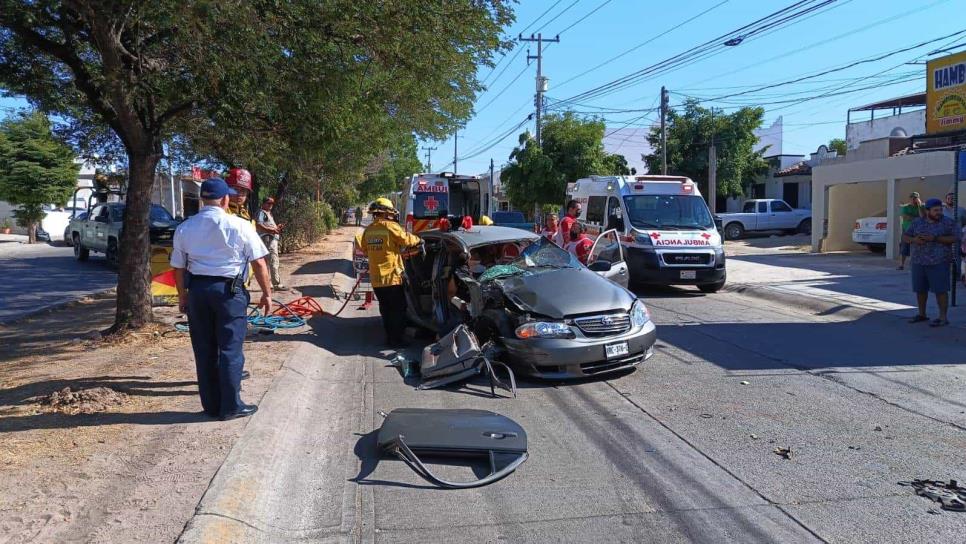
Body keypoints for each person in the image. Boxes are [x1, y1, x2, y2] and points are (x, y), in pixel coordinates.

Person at [170, 178, 272, 420]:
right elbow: (258, 262)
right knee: (230, 349)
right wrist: (267, 293)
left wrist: (182, 296)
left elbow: (178, 267)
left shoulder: (185, 227)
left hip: (198, 292)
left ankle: (211, 405)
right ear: (226, 200)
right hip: (229, 293)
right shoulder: (239, 225)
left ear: (203, 199)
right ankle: (231, 406)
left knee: (204, 349)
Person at [360, 197, 422, 346]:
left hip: (376, 280)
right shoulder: (390, 227)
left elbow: (365, 250)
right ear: (386, 213)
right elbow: (407, 240)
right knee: (398, 310)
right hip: (391, 279)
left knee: (386, 310)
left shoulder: (368, 231)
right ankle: (397, 340)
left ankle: (390, 338)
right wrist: (419, 240)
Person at [902, 197, 959, 327]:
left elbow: (956, 237)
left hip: (939, 261)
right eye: (935, 210)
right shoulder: (917, 222)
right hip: (918, 261)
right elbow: (905, 236)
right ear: (927, 211)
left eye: (940, 210)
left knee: (941, 290)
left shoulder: (948, 223)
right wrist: (914, 240)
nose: (938, 212)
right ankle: (922, 314)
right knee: (920, 289)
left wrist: (935, 238)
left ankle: (943, 318)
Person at [256, 197, 287, 291]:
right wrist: (271, 230)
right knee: (273, 260)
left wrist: (276, 228)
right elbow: (258, 224)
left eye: (272, 203)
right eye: (269, 203)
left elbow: (266, 225)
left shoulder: (268, 214)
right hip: (268, 239)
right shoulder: (262, 212)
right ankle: (276, 284)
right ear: (264, 203)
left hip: (271, 238)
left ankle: (269, 284)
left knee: (268, 262)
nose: (271, 205)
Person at [897, 192, 924, 271]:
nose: (913, 199)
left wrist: (919, 205)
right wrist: (917, 218)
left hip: (918, 230)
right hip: (907, 229)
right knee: (904, 247)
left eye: (915, 198)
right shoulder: (906, 207)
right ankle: (901, 265)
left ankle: (915, 264)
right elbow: (906, 217)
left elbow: (922, 216)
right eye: (912, 198)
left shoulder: (922, 207)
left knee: (917, 247)